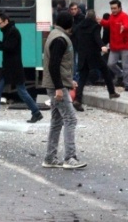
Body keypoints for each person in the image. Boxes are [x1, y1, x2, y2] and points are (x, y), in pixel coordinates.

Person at [41, 11, 86, 169]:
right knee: (70, 119)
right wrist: (60, 87)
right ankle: (70, 158)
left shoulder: (54, 35)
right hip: (56, 87)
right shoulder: (60, 39)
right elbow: (54, 65)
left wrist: (68, 81)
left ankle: (50, 157)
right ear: (70, 23)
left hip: (54, 84)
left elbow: (58, 65)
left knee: (56, 121)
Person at [0, 13, 43, 123]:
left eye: (0, 23)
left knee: (21, 92)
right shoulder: (9, 30)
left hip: (13, 68)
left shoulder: (13, 32)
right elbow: (7, 45)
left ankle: (36, 112)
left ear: (6, 21)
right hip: (9, 67)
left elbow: (9, 47)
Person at [72, 9, 120, 111]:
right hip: (94, 55)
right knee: (105, 71)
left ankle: (77, 100)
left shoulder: (79, 27)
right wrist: (102, 46)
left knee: (82, 78)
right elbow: (97, 38)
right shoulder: (96, 26)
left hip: (82, 55)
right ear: (94, 17)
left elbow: (74, 38)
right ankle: (111, 92)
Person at [98, 0, 128, 91]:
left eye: (114, 8)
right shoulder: (112, 17)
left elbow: (127, 24)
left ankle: (127, 84)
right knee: (110, 64)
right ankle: (121, 74)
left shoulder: (124, 16)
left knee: (126, 65)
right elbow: (108, 24)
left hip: (125, 45)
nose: (113, 10)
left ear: (120, 8)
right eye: (111, 8)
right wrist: (101, 21)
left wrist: (124, 27)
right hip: (114, 45)